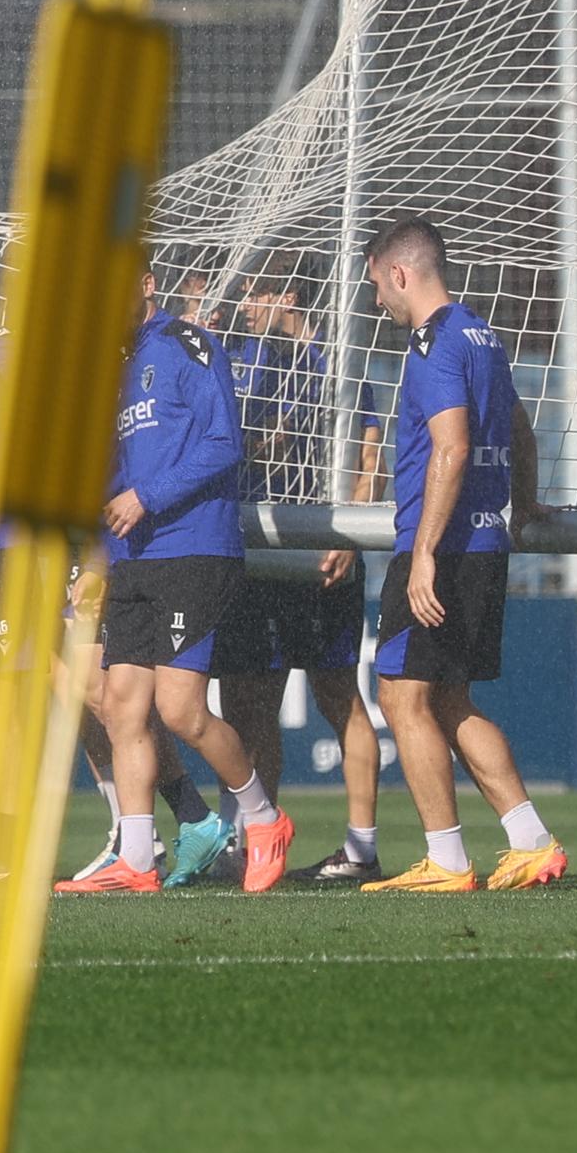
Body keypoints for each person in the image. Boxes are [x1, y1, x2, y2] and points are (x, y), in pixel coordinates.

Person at [342, 220, 567, 894]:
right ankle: (532, 842)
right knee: (447, 699)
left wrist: (424, 556)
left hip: (441, 545)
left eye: (377, 282)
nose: (377, 296)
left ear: (401, 273)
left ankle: (447, 858)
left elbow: (451, 447)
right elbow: (520, 426)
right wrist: (523, 500)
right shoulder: (483, 333)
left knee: (400, 696)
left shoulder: (434, 341)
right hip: (485, 541)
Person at [54, 270, 295, 895]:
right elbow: (112, 486)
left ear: (144, 283)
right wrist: (99, 563)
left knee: (181, 711)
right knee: (123, 709)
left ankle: (266, 820)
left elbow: (224, 444)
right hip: (133, 558)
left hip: (194, 551)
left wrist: (148, 496)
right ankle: (136, 858)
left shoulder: (187, 345)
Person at [219, 265, 385, 884]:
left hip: (321, 554)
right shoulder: (248, 363)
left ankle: (362, 848)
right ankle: (254, 836)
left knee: (338, 698)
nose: (245, 305)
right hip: (262, 552)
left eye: (255, 293)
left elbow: (371, 455)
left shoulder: (337, 365)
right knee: (248, 697)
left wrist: (350, 529)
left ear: (286, 294)